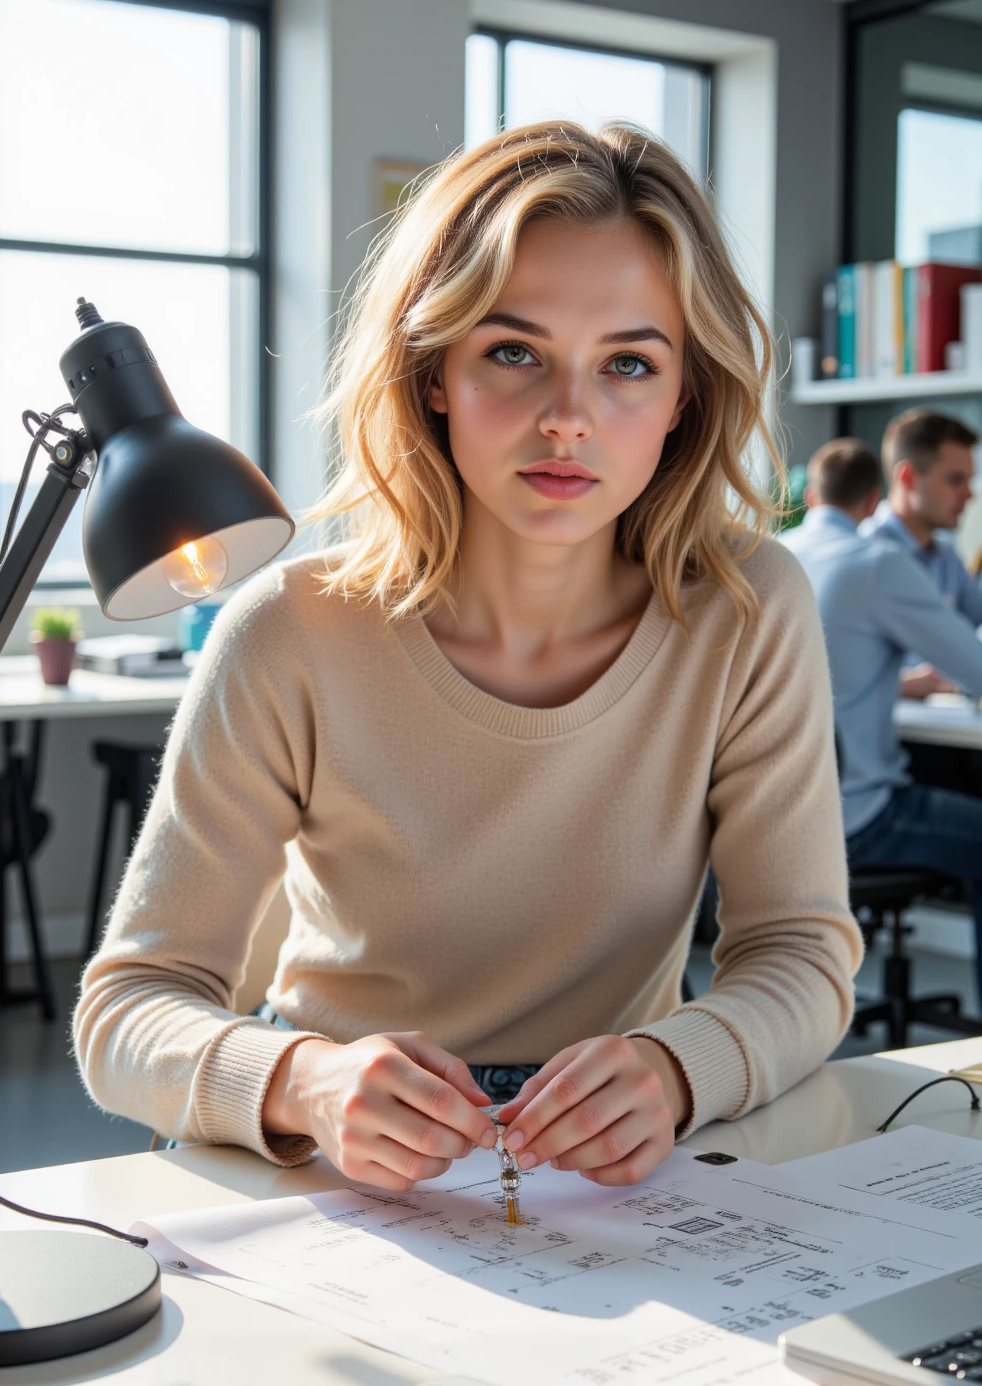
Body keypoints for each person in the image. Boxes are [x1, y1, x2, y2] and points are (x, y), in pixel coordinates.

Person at [74, 122, 860, 1192]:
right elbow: (126, 1011)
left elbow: (802, 957)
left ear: (684, 398)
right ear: (433, 371)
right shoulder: (288, 628)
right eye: (512, 351)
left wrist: (678, 1069)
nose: (568, 419)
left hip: (622, 1185)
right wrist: (301, 1083)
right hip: (332, 1179)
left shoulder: (745, 607)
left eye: (628, 363)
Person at [782, 436, 982, 1005]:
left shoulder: (776, 554)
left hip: (778, 817)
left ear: (812, 493)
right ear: (876, 500)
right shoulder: (877, 563)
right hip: (860, 818)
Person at [862, 409, 981, 699]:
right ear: (908, 476)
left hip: (942, 726)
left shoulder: (945, 556)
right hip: (897, 732)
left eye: (969, 481)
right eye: (955, 480)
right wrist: (902, 685)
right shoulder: (865, 557)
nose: (970, 494)